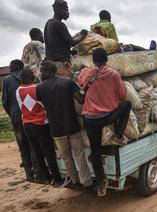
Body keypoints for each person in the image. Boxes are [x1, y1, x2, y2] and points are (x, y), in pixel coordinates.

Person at [79, 48, 131, 197]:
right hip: (107, 116)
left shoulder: (85, 73)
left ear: (93, 60)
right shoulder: (114, 74)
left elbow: (80, 84)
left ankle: (101, 182)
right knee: (126, 105)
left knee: (95, 150)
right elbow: (123, 95)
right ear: (106, 59)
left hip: (89, 118)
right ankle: (118, 135)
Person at [36, 60, 93, 190]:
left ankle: (75, 182)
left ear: (46, 71)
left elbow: (43, 103)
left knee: (67, 158)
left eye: (41, 70)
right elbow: (81, 99)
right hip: (72, 125)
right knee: (79, 155)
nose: (39, 73)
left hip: (56, 129)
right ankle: (87, 183)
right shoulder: (67, 82)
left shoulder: (39, 88)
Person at [16, 68, 62, 185]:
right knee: (49, 153)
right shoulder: (38, 88)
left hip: (27, 125)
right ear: (33, 77)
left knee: (37, 153)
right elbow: (44, 104)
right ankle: (57, 179)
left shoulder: (18, 90)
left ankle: (47, 177)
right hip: (41, 124)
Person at [2, 60, 38, 181]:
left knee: (23, 144)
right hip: (32, 115)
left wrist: (12, 114)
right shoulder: (29, 76)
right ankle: (38, 172)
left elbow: (5, 102)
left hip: (17, 117)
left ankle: (29, 174)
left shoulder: (6, 80)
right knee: (34, 143)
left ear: (11, 68)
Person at [44, 0, 88, 78]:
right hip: (61, 65)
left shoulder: (48, 23)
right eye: (66, 9)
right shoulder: (59, 24)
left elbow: (57, 44)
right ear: (58, 10)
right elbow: (73, 42)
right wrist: (82, 34)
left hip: (50, 63)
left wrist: (70, 51)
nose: (67, 12)